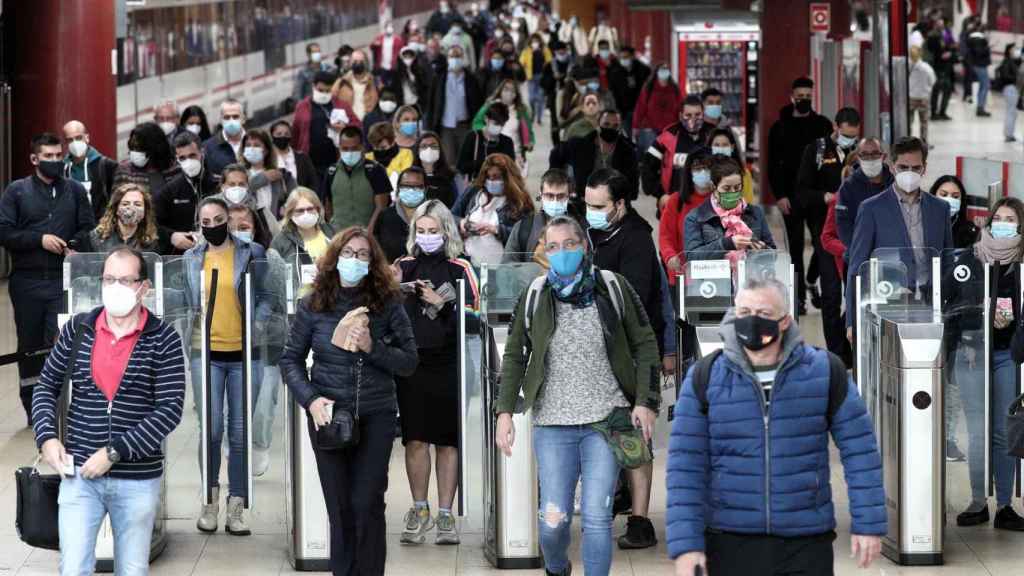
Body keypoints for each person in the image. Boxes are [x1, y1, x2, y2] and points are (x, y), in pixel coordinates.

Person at [667, 278, 886, 575]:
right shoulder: (704, 377)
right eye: (744, 312)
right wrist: (686, 545)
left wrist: (868, 523)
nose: (752, 321)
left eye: (764, 314)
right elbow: (684, 467)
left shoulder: (825, 371)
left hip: (806, 540)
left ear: (785, 321)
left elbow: (860, 451)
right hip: (729, 539)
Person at [495, 214, 660, 576]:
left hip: (607, 421)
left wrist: (646, 401)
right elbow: (514, 355)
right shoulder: (535, 294)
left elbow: (646, 342)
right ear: (544, 252)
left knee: (598, 518)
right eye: (552, 246)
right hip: (553, 425)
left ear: (584, 246)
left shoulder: (613, 287)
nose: (562, 252)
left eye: (570, 244)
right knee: (553, 522)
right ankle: (557, 568)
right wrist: (504, 411)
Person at [33, 246, 186, 576]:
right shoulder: (78, 329)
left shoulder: (164, 338)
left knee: (132, 569)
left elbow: (170, 409)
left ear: (144, 287)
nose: (115, 287)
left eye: (125, 280)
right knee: (72, 567)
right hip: (79, 475)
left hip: (136, 480)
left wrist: (115, 452)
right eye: (108, 279)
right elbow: (46, 386)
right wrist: (46, 438)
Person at [280, 227, 417, 575]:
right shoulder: (312, 304)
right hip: (329, 417)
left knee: (367, 503)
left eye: (362, 255)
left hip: (376, 416)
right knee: (339, 507)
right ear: (334, 258)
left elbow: (409, 362)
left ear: (373, 263)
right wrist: (311, 400)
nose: (354, 260)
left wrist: (374, 347)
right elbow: (290, 360)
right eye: (348, 253)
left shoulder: (389, 304)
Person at [584, 168, 668, 549]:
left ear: (620, 204)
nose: (591, 212)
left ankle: (640, 518)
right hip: (592, 349)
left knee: (634, 433)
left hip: (629, 351)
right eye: (587, 205)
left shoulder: (636, 240)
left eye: (598, 206)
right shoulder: (591, 233)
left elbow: (631, 299)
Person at [395, 199, 478, 546]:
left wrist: (444, 304)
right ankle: (420, 508)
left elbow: (476, 317)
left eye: (434, 231)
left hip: (448, 362)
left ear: (446, 232)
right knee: (415, 438)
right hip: (412, 363)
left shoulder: (460, 267)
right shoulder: (403, 265)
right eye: (422, 231)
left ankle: (446, 514)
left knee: (447, 440)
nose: (427, 237)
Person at [186, 197, 270, 535]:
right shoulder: (192, 258)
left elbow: (266, 296)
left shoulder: (253, 252)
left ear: (229, 220)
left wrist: (258, 324)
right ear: (199, 225)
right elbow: (184, 300)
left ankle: (237, 504)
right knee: (211, 429)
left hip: (243, 352)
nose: (213, 226)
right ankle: (209, 499)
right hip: (203, 351)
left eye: (219, 219)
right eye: (206, 222)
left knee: (239, 433)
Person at [0, 133, 95, 425]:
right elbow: (5, 232)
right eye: (48, 156)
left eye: (58, 156)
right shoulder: (16, 192)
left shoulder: (76, 191)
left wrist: (74, 246)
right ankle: (33, 411)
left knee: (59, 342)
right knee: (29, 346)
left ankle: (60, 407)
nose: (55, 161)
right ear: (34, 159)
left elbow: (88, 229)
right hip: (26, 282)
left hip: (63, 281)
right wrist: (38, 239)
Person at [951, 198, 1024, 531]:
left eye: (1011, 219)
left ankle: (1006, 505)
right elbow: (953, 303)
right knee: (978, 432)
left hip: (1008, 355)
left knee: (1003, 430)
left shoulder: (1021, 265)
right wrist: (978, 317)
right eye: (999, 217)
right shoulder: (972, 257)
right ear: (989, 221)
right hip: (973, 354)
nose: (1004, 223)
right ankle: (978, 501)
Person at [845, 137, 954, 338]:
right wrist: (852, 320)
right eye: (903, 167)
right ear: (893, 167)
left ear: (924, 168)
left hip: (930, 307)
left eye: (916, 167)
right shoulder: (871, 209)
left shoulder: (940, 209)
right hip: (887, 306)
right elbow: (857, 266)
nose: (910, 173)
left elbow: (947, 260)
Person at [766, 77, 833, 314]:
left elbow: (829, 162)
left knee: (822, 244)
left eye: (807, 96)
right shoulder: (779, 128)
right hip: (791, 198)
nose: (803, 99)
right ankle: (798, 299)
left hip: (817, 198)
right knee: (794, 249)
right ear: (791, 96)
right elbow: (772, 164)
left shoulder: (823, 125)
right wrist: (780, 195)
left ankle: (813, 280)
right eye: (800, 95)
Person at [796, 106, 859, 346]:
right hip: (827, 231)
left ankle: (848, 343)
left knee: (855, 292)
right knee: (831, 293)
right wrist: (825, 197)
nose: (850, 140)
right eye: (846, 135)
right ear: (835, 127)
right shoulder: (817, 151)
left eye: (854, 136)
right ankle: (835, 351)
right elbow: (802, 191)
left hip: (856, 231)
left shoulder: (861, 153)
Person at [685, 157, 776, 260]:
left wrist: (763, 250)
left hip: (749, 275)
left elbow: (773, 253)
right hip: (715, 276)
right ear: (713, 187)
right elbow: (691, 256)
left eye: (737, 187)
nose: (733, 192)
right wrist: (727, 244)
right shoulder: (696, 217)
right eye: (726, 188)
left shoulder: (755, 212)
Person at [452, 152, 533, 266]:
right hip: (469, 263)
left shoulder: (520, 202)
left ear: (508, 178)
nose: (491, 181)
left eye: (496, 177)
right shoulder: (474, 191)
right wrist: (462, 223)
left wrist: (496, 230)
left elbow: (526, 236)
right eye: (488, 177)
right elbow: (450, 216)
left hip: (502, 268)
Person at [550, 109, 638, 207]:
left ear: (620, 127)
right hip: (583, 203)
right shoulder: (580, 145)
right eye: (606, 124)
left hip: (614, 206)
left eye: (615, 126)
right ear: (598, 124)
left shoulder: (628, 152)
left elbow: (633, 190)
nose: (610, 128)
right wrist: (556, 182)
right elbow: (556, 154)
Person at [642, 95, 713, 209]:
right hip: (674, 204)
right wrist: (660, 195)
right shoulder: (667, 136)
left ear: (703, 114)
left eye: (697, 115)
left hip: (708, 204)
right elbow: (647, 168)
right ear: (680, 116)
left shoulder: (713, 134)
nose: (693, 119)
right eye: (688, 115)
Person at [292, 71, 363, 184]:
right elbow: (295, 135)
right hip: (310, 163)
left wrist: (345, 128)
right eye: (321, 90)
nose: (324, 94)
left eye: (327, 90)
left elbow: (358, 125)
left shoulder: (341, 105)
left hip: (335, 161)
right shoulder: (302, 107)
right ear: (313, 86)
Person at [156, 132, 220, 255]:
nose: (188, 161)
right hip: (181, 256)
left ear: (202, 153)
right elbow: (154, 224)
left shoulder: (218, 185)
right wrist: (172, 236)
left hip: (215, 252)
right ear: (177, 159)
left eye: (192, 155)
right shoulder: (169, 191)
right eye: (182, 158)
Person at [320, 126, 393, 234]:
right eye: (345, 148)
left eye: (354, 148)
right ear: (339, 147)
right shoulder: (331, 171)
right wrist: (333, 231)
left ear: (362, 147)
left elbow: (381, 206)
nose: (349, 152)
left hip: (369, 235)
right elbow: (327, 205)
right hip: (339, 236)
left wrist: (370, 231)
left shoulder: (375, 170)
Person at [659, 152, 714, 286]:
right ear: (689, 171)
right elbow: (665, 236)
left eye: (707, 168)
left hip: (717, 274)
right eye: (697, 168)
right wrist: (670, 256)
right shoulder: (676, 201)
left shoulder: (720, 199)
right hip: (682, 276)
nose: (702, 172)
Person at [504, 168, 579, 263]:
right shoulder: (524, 228)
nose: (555, 201)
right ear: (541, 195)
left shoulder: (580, 227)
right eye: (550, 196)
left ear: (568, 197)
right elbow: (507, 266)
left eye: (560, 196)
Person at [270, 187, 335, 296]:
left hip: (329, 300)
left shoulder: (332, 233)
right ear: (290, 214)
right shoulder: (280, 241)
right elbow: (272, 279)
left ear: (318, 209)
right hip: (297, 305)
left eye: (310, 209)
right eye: (300, 210)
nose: (306, 214)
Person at [428, 44, 484, 170]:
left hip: (465, 126)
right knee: (449, 161)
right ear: (447, 58)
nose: (455, 59)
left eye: (458, 56)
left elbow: (479, 103)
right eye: (452, 56)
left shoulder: (471, 79)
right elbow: (431, 104)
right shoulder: (439, 78)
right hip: (446, 127)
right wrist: (430, 126)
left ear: (463, 57)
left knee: (466, 160)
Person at [835, 137, 892, 248]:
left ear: (883, 156)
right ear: (858, 157)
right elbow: (843, 225)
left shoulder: (895, 183)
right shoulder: (848, 188)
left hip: (892, 252)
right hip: (861, 254)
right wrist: (859, 250)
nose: (870, 159)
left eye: (875, 153)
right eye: (864, 154)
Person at [242, 129, 296, 235]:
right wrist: (262, 178)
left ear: (266, 150)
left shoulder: (280, 175)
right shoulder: (239, 174)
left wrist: (286, 208)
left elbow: (297, 196)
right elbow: (239, 196)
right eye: (248, 145)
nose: (251, 148)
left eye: (257, 145)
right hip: (251, 231)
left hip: (279, 231)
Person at [88, 183, 167, 254]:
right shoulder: (97, 237)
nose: (131, 208)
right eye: (125, 204)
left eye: (137, 204)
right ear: (116, 209)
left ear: (145, 211)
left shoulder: (154, 241)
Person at [62, 120, 117, 222]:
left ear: (87, 137)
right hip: (73, 228)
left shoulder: (106, 166)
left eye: (78, 138)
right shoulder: (62, 169)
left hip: (100, 228)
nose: (75, 143)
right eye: (70, 140)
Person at [472, 78, 535, 166]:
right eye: (506, 89)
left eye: (512, 91)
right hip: (492, 153)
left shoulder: (521, 110)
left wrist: (531, 142)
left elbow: (529, 129)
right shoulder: (490, 106)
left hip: (515, 154)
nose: (509, 93)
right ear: (500, 91)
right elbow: (476, 123)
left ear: (516, 94)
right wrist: (485, 130)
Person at [115, 122, 179, 204]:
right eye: (132, 148)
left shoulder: (174, 169)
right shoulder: (124, 169)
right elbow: (115, 202)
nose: (135, 152)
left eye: (140, 148)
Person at [374, 166, 429, 262]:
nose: (411, 190)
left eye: (417, 186)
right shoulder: (385, 216)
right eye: (406, 185)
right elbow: (377, 250)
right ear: (399, 188)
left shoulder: (435, 216)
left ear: (425, 189)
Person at [455, 102, 515, 181]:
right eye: (496, 123)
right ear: (486, 119)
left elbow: (511, 168)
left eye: (502, 124)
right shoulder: (473, 137)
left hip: (500, 186)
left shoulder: (507, 141)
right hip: (476, 185)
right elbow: (461, 167)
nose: (499, 127)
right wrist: (485, 163)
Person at [632, 63, 681, 160]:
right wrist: (635, 126)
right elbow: (640, 108)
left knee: (667, 159)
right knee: (652, 158)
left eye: (666, 69)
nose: (664, 72)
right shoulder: (648, 88)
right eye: (662, 70)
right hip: (650, 129)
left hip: (669, 129)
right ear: (656, 72)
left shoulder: (675, 90)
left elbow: (680, 109)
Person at [608, 45, 650, 133]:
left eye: (626, 57)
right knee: (627, 134)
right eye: (621, 57)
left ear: (632, 57)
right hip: (624, 111)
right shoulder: (615, 73)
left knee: (641, 135)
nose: (623, 59)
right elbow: (613, 92)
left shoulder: (643, 70)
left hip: (640, 110)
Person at [540, 39, 573, 146]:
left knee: (570, 120)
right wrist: (553, 79)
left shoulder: (572, 64)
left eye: (563, 51)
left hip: (570, 97)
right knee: (555, 122)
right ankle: (557, 146)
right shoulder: (549, 65)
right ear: (555, 52)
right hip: (554, 96)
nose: (562, 54)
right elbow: (543, 83)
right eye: (559, 52)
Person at [202, 99, 247, 176]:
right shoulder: (207, 148)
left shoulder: (256, 141)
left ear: (243, 119)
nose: (231, 121)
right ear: (221, 120)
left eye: (235, 116)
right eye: (227, 117)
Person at [707, 127, 754, 202]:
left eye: (725, 145)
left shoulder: (744, 173)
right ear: (710, 148)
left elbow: (748, 203)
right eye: (716, 145)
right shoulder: (704, 172)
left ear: (732, 147)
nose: (721, 148)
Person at [270, 120, 320, 190]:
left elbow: (314, 182)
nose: (283, 137)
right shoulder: (268, 159)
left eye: (286, 134)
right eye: (279, 134)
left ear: (291, 136)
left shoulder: (302, 158)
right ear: (272, 136)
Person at [414, 131, 458, 208]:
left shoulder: (451, 176)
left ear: (440, 150)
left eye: (433, 146)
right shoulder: (411, 175)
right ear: (418, 151)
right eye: (424, 146)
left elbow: (457, 205)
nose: (429, 150)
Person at [335, 50, 380, 122]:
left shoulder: (374, 82)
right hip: (349, 123)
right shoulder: (341, 82)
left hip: (368, 123)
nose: (358, 64)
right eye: (355, 61)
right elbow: (333, 101)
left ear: (365, 63)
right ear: (350, 63)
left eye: (361, 61)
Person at [366, 122, 415, 188]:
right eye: (375, 147)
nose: (379, 150)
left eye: (383, 147)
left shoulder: (405, 154)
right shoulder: (367, 157)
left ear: (393, 142)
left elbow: (404, 178)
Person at [927, 17, 956, 121]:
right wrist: (941, 56)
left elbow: (950, 47)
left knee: (947, 90)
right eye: (939, 25)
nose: (941, 27)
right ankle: (934, 113)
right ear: (936, 25)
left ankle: (943, 111)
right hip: (937, 67)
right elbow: (931, 52)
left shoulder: (945, 35)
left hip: (946, 67)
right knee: (936, 90)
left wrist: (950, 53)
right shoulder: (932, 36)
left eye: (942, 25)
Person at [520, 34, 552, 125]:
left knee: (540, 98)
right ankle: (533, 113)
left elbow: (549, 60)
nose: (535, 43)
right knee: (531, 98)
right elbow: (521, 62)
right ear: (530, 42)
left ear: (540, 41)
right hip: (530, 77)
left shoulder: (544, 50)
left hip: (541, 77)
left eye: (537, 41)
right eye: (533, 41)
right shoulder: (526, 51)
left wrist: (545, 66)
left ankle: (539, 118)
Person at [908, 46, 937, 144]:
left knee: (909, 121)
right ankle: (923, 141)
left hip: (911, 97)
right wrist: (927, 90)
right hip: (923, 98)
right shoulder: (926, 67)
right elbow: (932, 80)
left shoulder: (907, 67)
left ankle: (907, 140)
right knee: (924, 121)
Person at [966, 24, 992, 116]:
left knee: (982, 86)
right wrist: (988, 47)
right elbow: (979, 52)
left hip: (977, 64)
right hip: (980, 65)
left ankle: (980, 106)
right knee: (985, 85)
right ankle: (980, 108)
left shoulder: (974, 39)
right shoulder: (979, 40)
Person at [370, 21, 405, 87]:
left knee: (394, 85)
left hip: (394, 67)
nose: (389, 28)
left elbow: (403, 50)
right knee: (382, 86)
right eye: (388, 26)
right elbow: (371, 47)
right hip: (382, 67)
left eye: (391, 26)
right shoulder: (379, 38)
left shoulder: (398, 40)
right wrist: (374, 44)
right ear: (385, 28)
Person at [999, 44, 1022, 142]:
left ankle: (1009, 134)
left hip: (1012, 88)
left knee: (1012, 112)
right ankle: (1008, 134)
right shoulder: (1007, 61)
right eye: (1014, 49)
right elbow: (1005, 75)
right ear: (1009, 50)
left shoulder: (1011, 61)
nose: (1016, 51)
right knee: (1011, 112)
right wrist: (1016, 79)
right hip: (1010, 88)